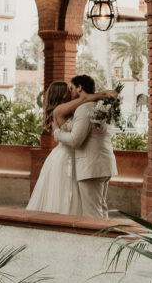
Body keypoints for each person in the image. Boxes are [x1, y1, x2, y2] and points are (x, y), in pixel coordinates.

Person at [26, 79, 117, 216]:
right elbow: (85, 98)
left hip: (77, 156)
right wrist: (104, 94)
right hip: (66, 156)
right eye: (69, 90)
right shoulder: (60, 110)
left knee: (90, 202)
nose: (72, 92)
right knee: (69, 197)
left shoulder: (71, 110)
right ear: (62, 94)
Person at [53, 74, 118, 219]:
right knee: (101, 207)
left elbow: (76, 140)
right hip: (103, 164)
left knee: (92, 213)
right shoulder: (100, 106)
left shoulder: (84, 108)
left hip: (91, 167)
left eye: (72, 88)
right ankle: (105, 240)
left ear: (80, 88)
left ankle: (95, 242)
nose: (70, 92)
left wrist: (57, 133)